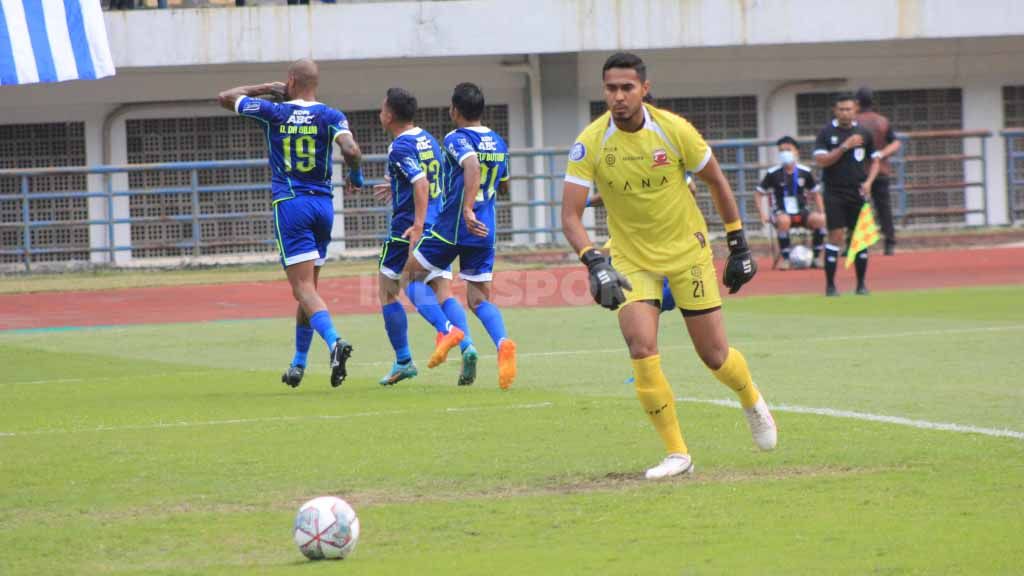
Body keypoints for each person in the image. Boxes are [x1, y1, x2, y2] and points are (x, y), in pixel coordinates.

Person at [561, 52, 777, 480]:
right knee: (641, 346)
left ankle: (751, 398)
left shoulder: (674, 130)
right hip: (631, 258)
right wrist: (594, 262)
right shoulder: (591, 142)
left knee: (714, 355)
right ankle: (678, 453)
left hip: (687, 254)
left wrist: (738, 244)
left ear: (644, 88)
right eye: (610, 88)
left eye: (627, 88)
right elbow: (569, 215)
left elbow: (716, 181)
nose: (618, 97)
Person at [218, 59, 363, 389]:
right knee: (309, 289)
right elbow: (352, 150)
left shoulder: (275, 112)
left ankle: (335, 343)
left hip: (291, 204)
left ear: (290, 81)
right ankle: (298, 364)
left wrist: (265, 89)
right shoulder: (331, 115)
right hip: (323, 206)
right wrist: (355, 176)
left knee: (302, 289)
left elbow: (225, 97)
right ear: (316, 83)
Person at [405, 82, 517, 389]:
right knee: (479, 299)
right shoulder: (498, 141)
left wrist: (467, 208)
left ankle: (448, 330)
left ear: (455, 110)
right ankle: (503, 342)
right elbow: (503, 183)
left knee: (410, 278)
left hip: (454, 226)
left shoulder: (456, 138)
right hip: (486, 228)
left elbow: (471, 165)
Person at [373, 87, 478, 386]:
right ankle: (467, 346)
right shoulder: (428, 139)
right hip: (440, 225)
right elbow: (433, 179)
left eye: (382, 109)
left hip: (408, 227)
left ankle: (406, 358)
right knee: (442, 290)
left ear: (390, 114)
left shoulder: (399, 147)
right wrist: (395, 186)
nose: (380, 113)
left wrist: (416, 225)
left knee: (389, 289)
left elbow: (420, 183)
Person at [813, 93, 881, 296]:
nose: (845, 113)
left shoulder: (864, 133)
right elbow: (821, 161)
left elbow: (876, 160)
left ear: (855, 110)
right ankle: (830, 286)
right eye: (841, 109)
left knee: (859, 237)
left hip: (857, 191)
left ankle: (861, 285)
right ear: (835, 111)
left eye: (849, 109)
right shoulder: (826, 133)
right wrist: (844, 147)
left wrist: (869, 182)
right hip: (834, 191)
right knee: (835, 236)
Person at [755, 136, 827, 269]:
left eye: (788, 150)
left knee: (819, 220)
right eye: (781, 151)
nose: (785, 153)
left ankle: (816, 257)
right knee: (784, 220)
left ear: (796, 152)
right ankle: (786, 258)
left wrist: (822, 212)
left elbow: (816, 194)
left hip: (802, 211)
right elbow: (758, 193)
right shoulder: (773, 173)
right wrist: (762, 215)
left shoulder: (805, 172)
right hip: (781, 212)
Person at [855, 87, 901, 255]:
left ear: (857, 102)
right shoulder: (882, 121)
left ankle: (857, 243)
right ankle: (889, 243)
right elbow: (896, 143)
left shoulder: (853, 122)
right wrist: (881, 154)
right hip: (880, 170)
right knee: (884, 208)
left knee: (857, 208)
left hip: (859, 171)